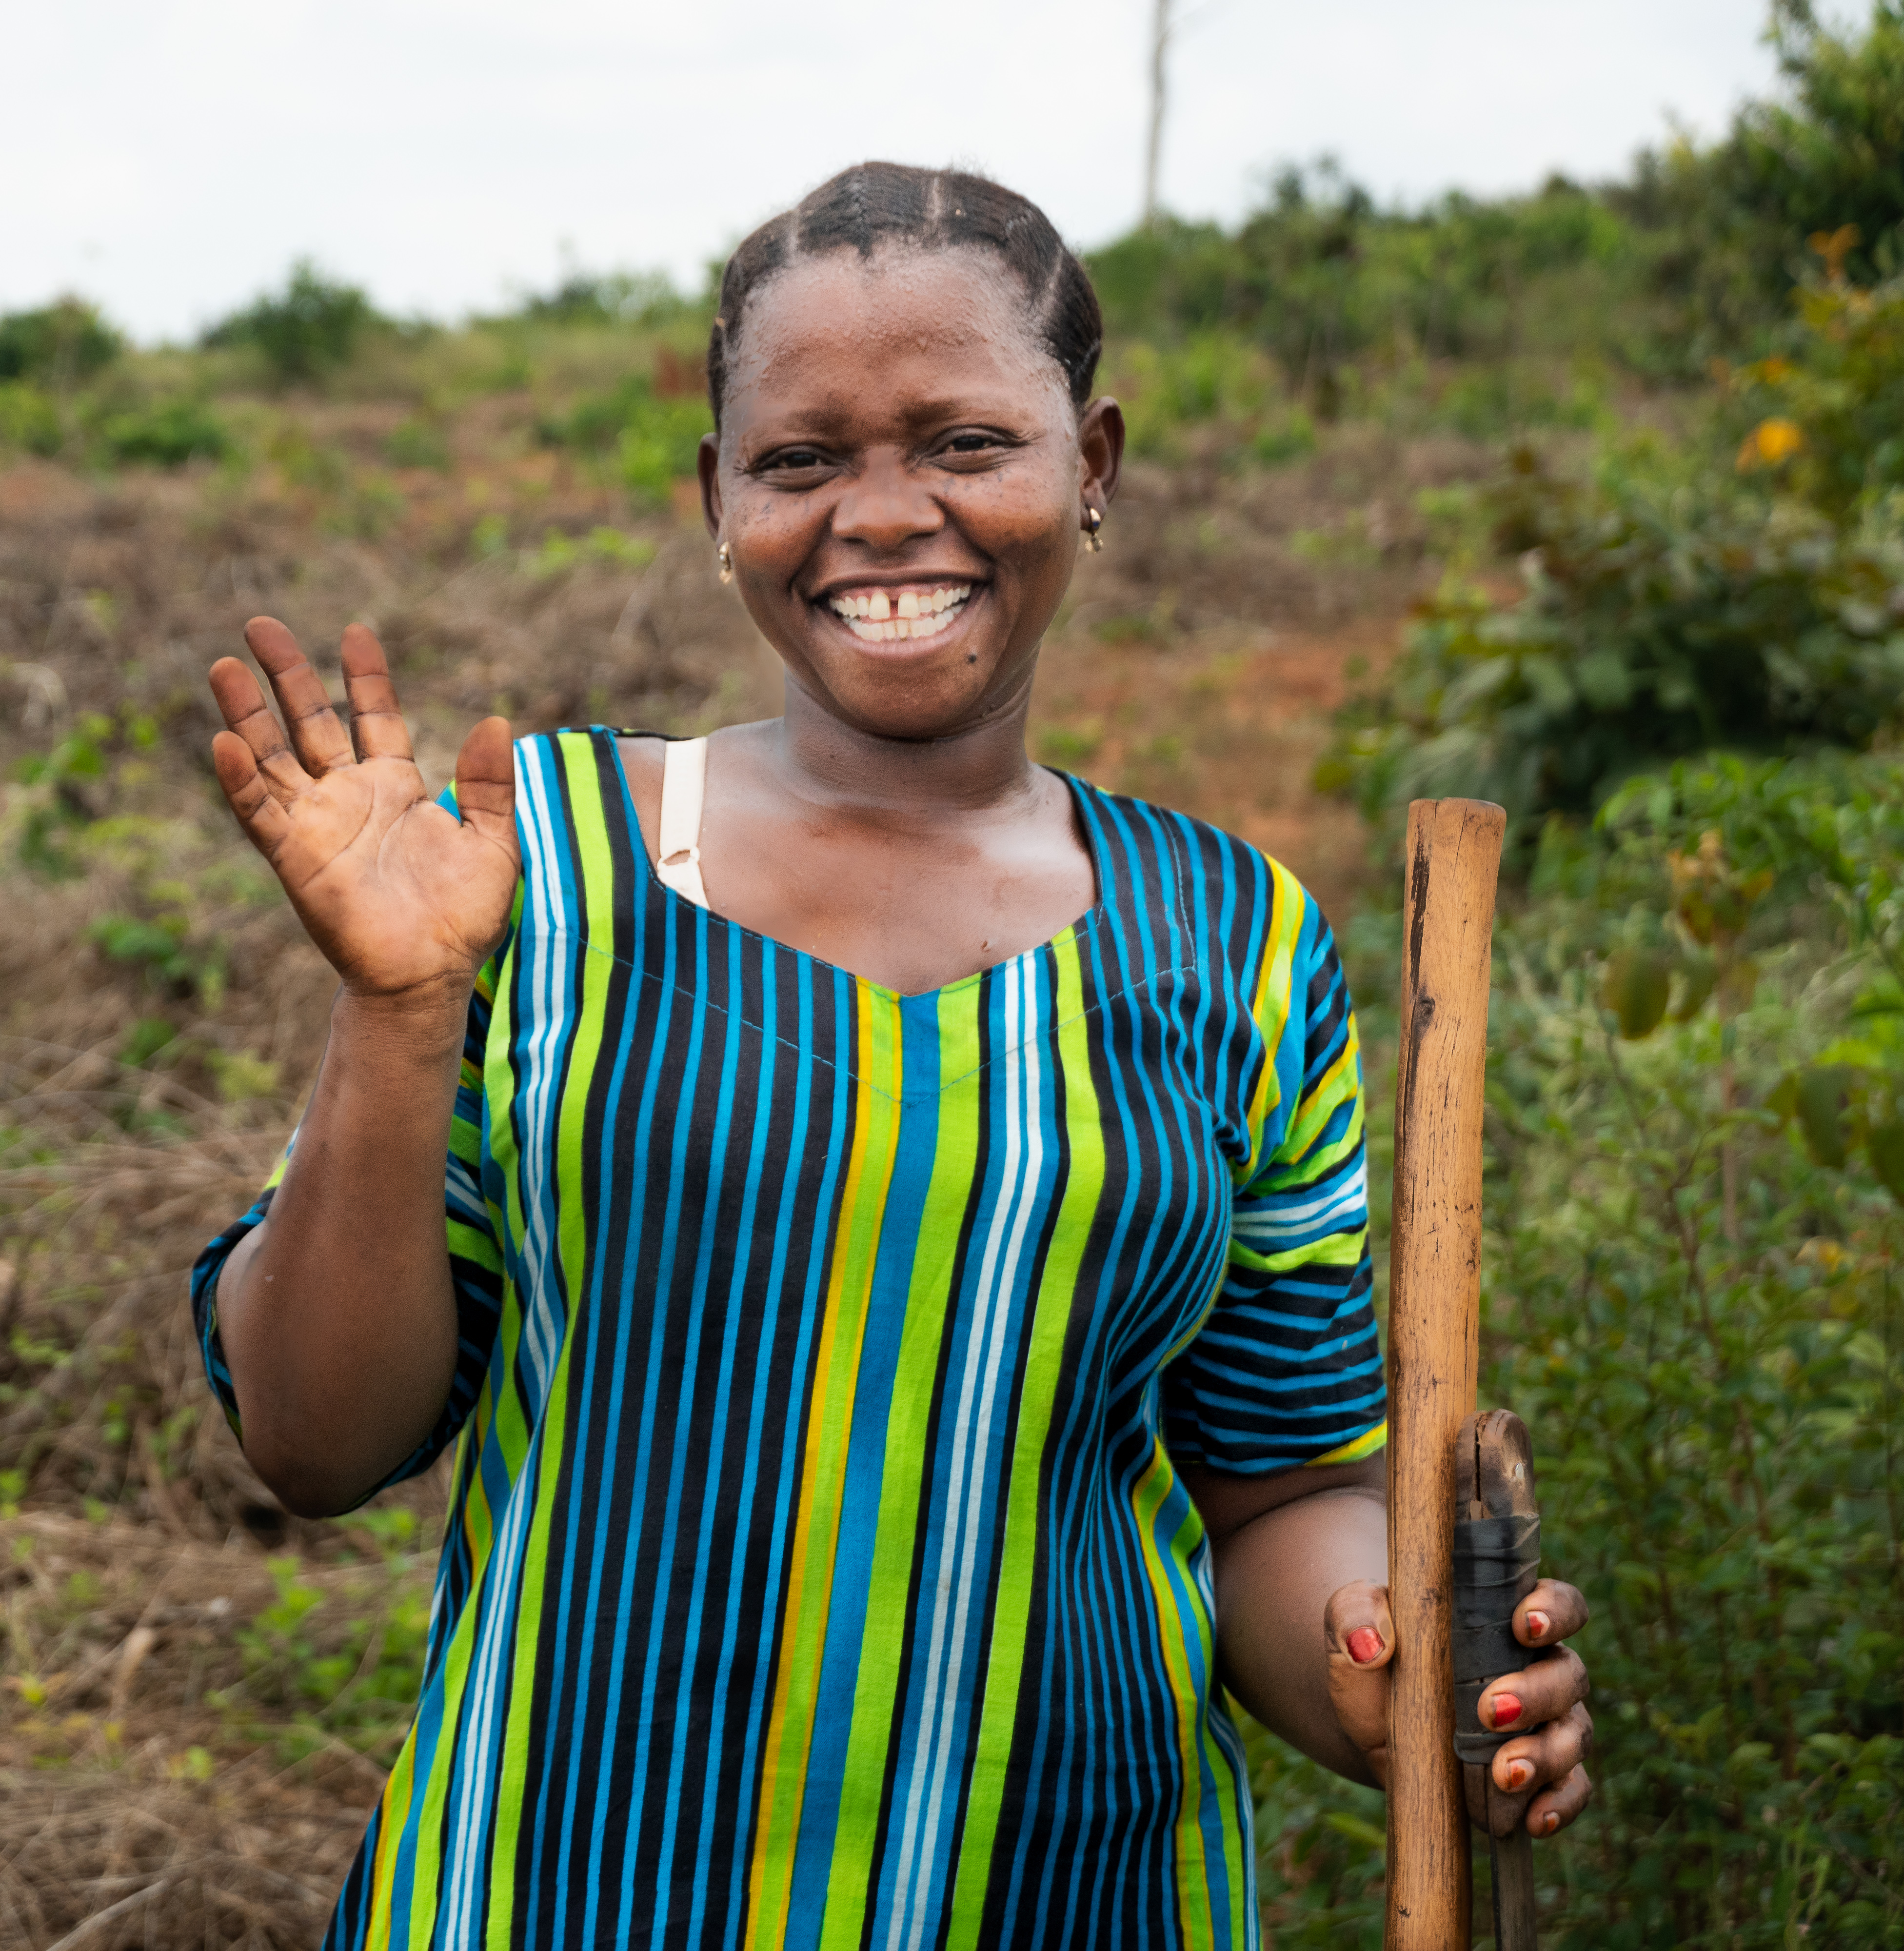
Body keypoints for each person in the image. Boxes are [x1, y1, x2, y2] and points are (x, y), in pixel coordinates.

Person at [187, 162, 1593, 1950]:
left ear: (1092, 469)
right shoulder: (525, 868)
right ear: (719, 500)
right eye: (801, 460)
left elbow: (1280, 1496)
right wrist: (396, 1014)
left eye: (964, 442)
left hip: (1074, 1896)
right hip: (562, 1889)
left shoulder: (1231, 942)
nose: (884, 515)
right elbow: (313, 1437)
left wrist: (1396, 1686)